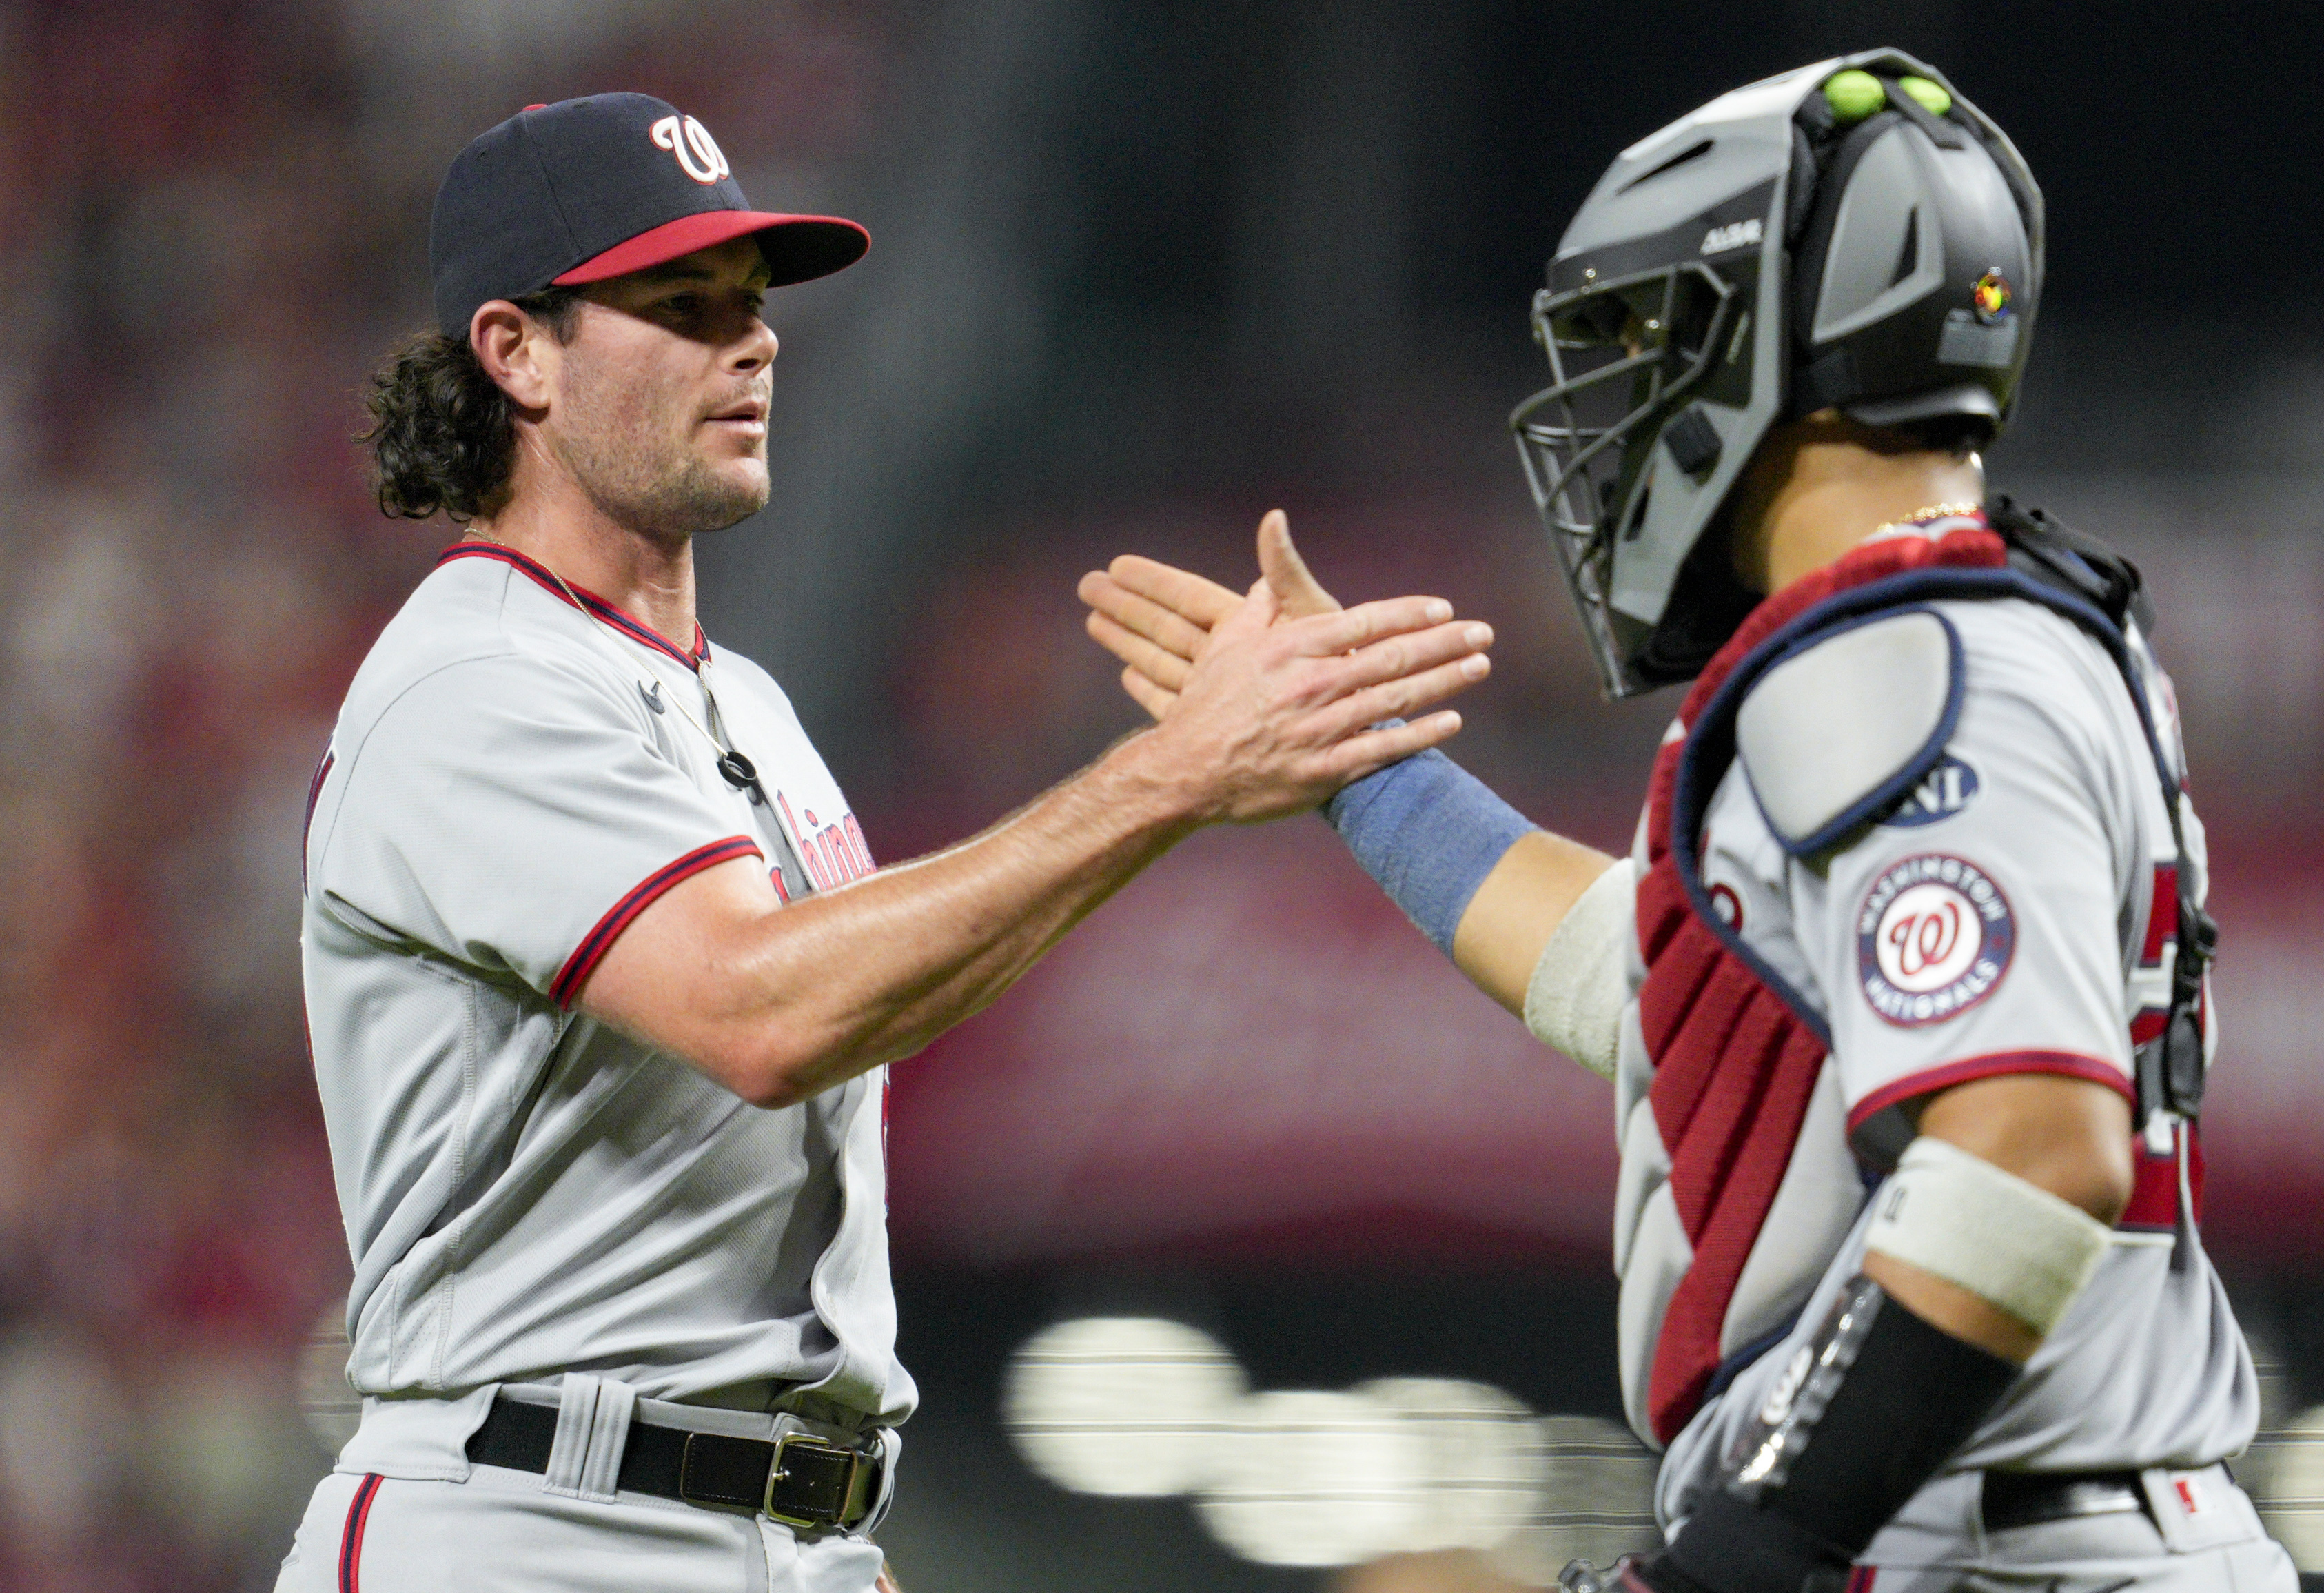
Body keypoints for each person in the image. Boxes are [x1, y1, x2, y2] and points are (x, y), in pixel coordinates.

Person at [1081, 52, 2298, 1591]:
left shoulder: (1901, 647)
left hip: (1980, 1549)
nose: (1616, 395)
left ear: (1778, 330)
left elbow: (2026, 1149)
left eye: (1639, 329)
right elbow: (1684, 1006)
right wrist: (1362, 772)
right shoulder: (1958, 632)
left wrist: (1736, 1555)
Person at [278, 92, 1496, 1593]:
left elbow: (847, 1026)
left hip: (761, 1531)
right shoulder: (477, 681)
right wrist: (1171, 779)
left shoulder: (743, 702)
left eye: (751, 301)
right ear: (515, 353)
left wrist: (829, 1534)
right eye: (678, 305)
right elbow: (760, 1010)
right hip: (536, 1526)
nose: (752, 342)